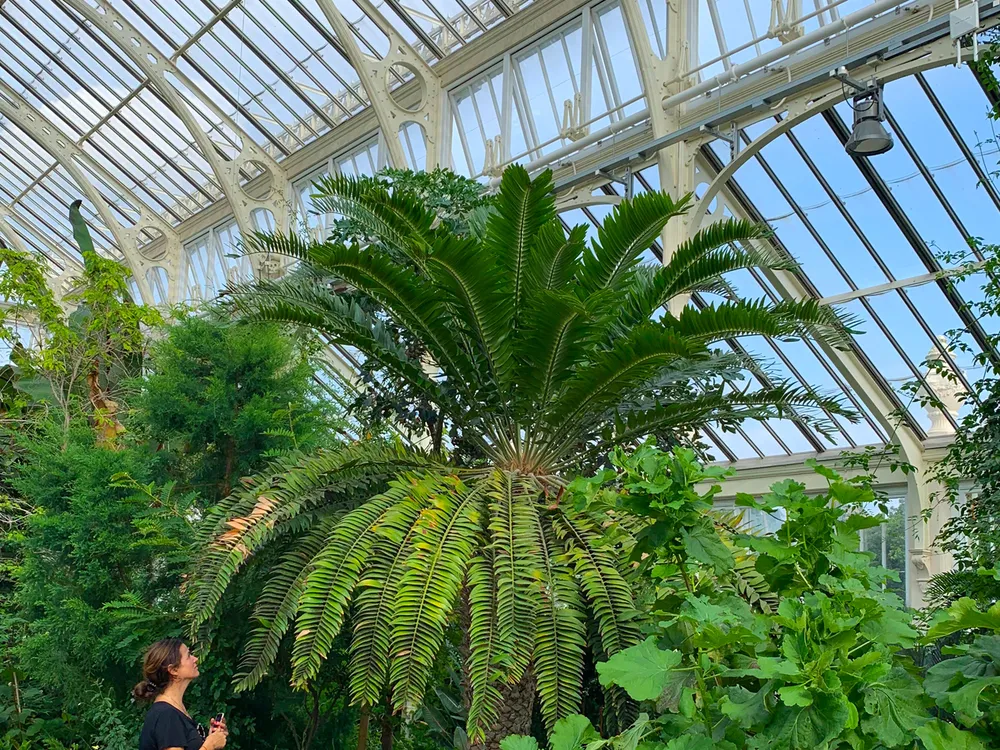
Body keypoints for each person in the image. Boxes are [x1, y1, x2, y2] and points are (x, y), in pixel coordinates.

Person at [133, 638, 228, 750]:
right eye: (188, 656)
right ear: (173, 670)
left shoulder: (175, 709)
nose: (195, 659)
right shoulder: (166, 715)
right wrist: (210, 745)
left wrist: (212, 738)